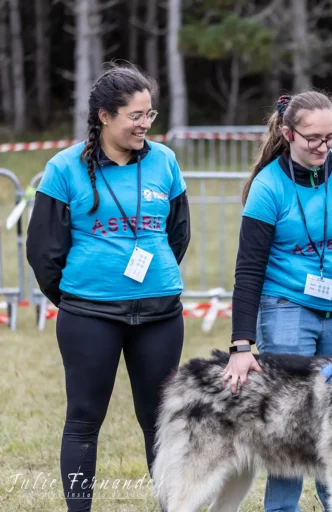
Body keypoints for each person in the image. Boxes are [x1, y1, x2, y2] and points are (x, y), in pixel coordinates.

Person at [26, 62, 190, 512]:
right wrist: (79, 297)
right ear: (104, 116)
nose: (145, 125)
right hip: (89, 315)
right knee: (83, 420)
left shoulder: (165, 161)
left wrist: (152, 277)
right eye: (136, 115)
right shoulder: (64, 168)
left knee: (160, 422)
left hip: (159, 314)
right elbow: (44, 249)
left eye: (150, 115)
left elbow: (178, 233)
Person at [224, 91, 332, 511]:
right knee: (288, 418)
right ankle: (281, 507)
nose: (323, 146)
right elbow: (249, 270)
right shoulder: (268, 187)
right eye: (313, 138)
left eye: (331, 137)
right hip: (287, 308)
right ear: (288, 132)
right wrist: (241, 345)